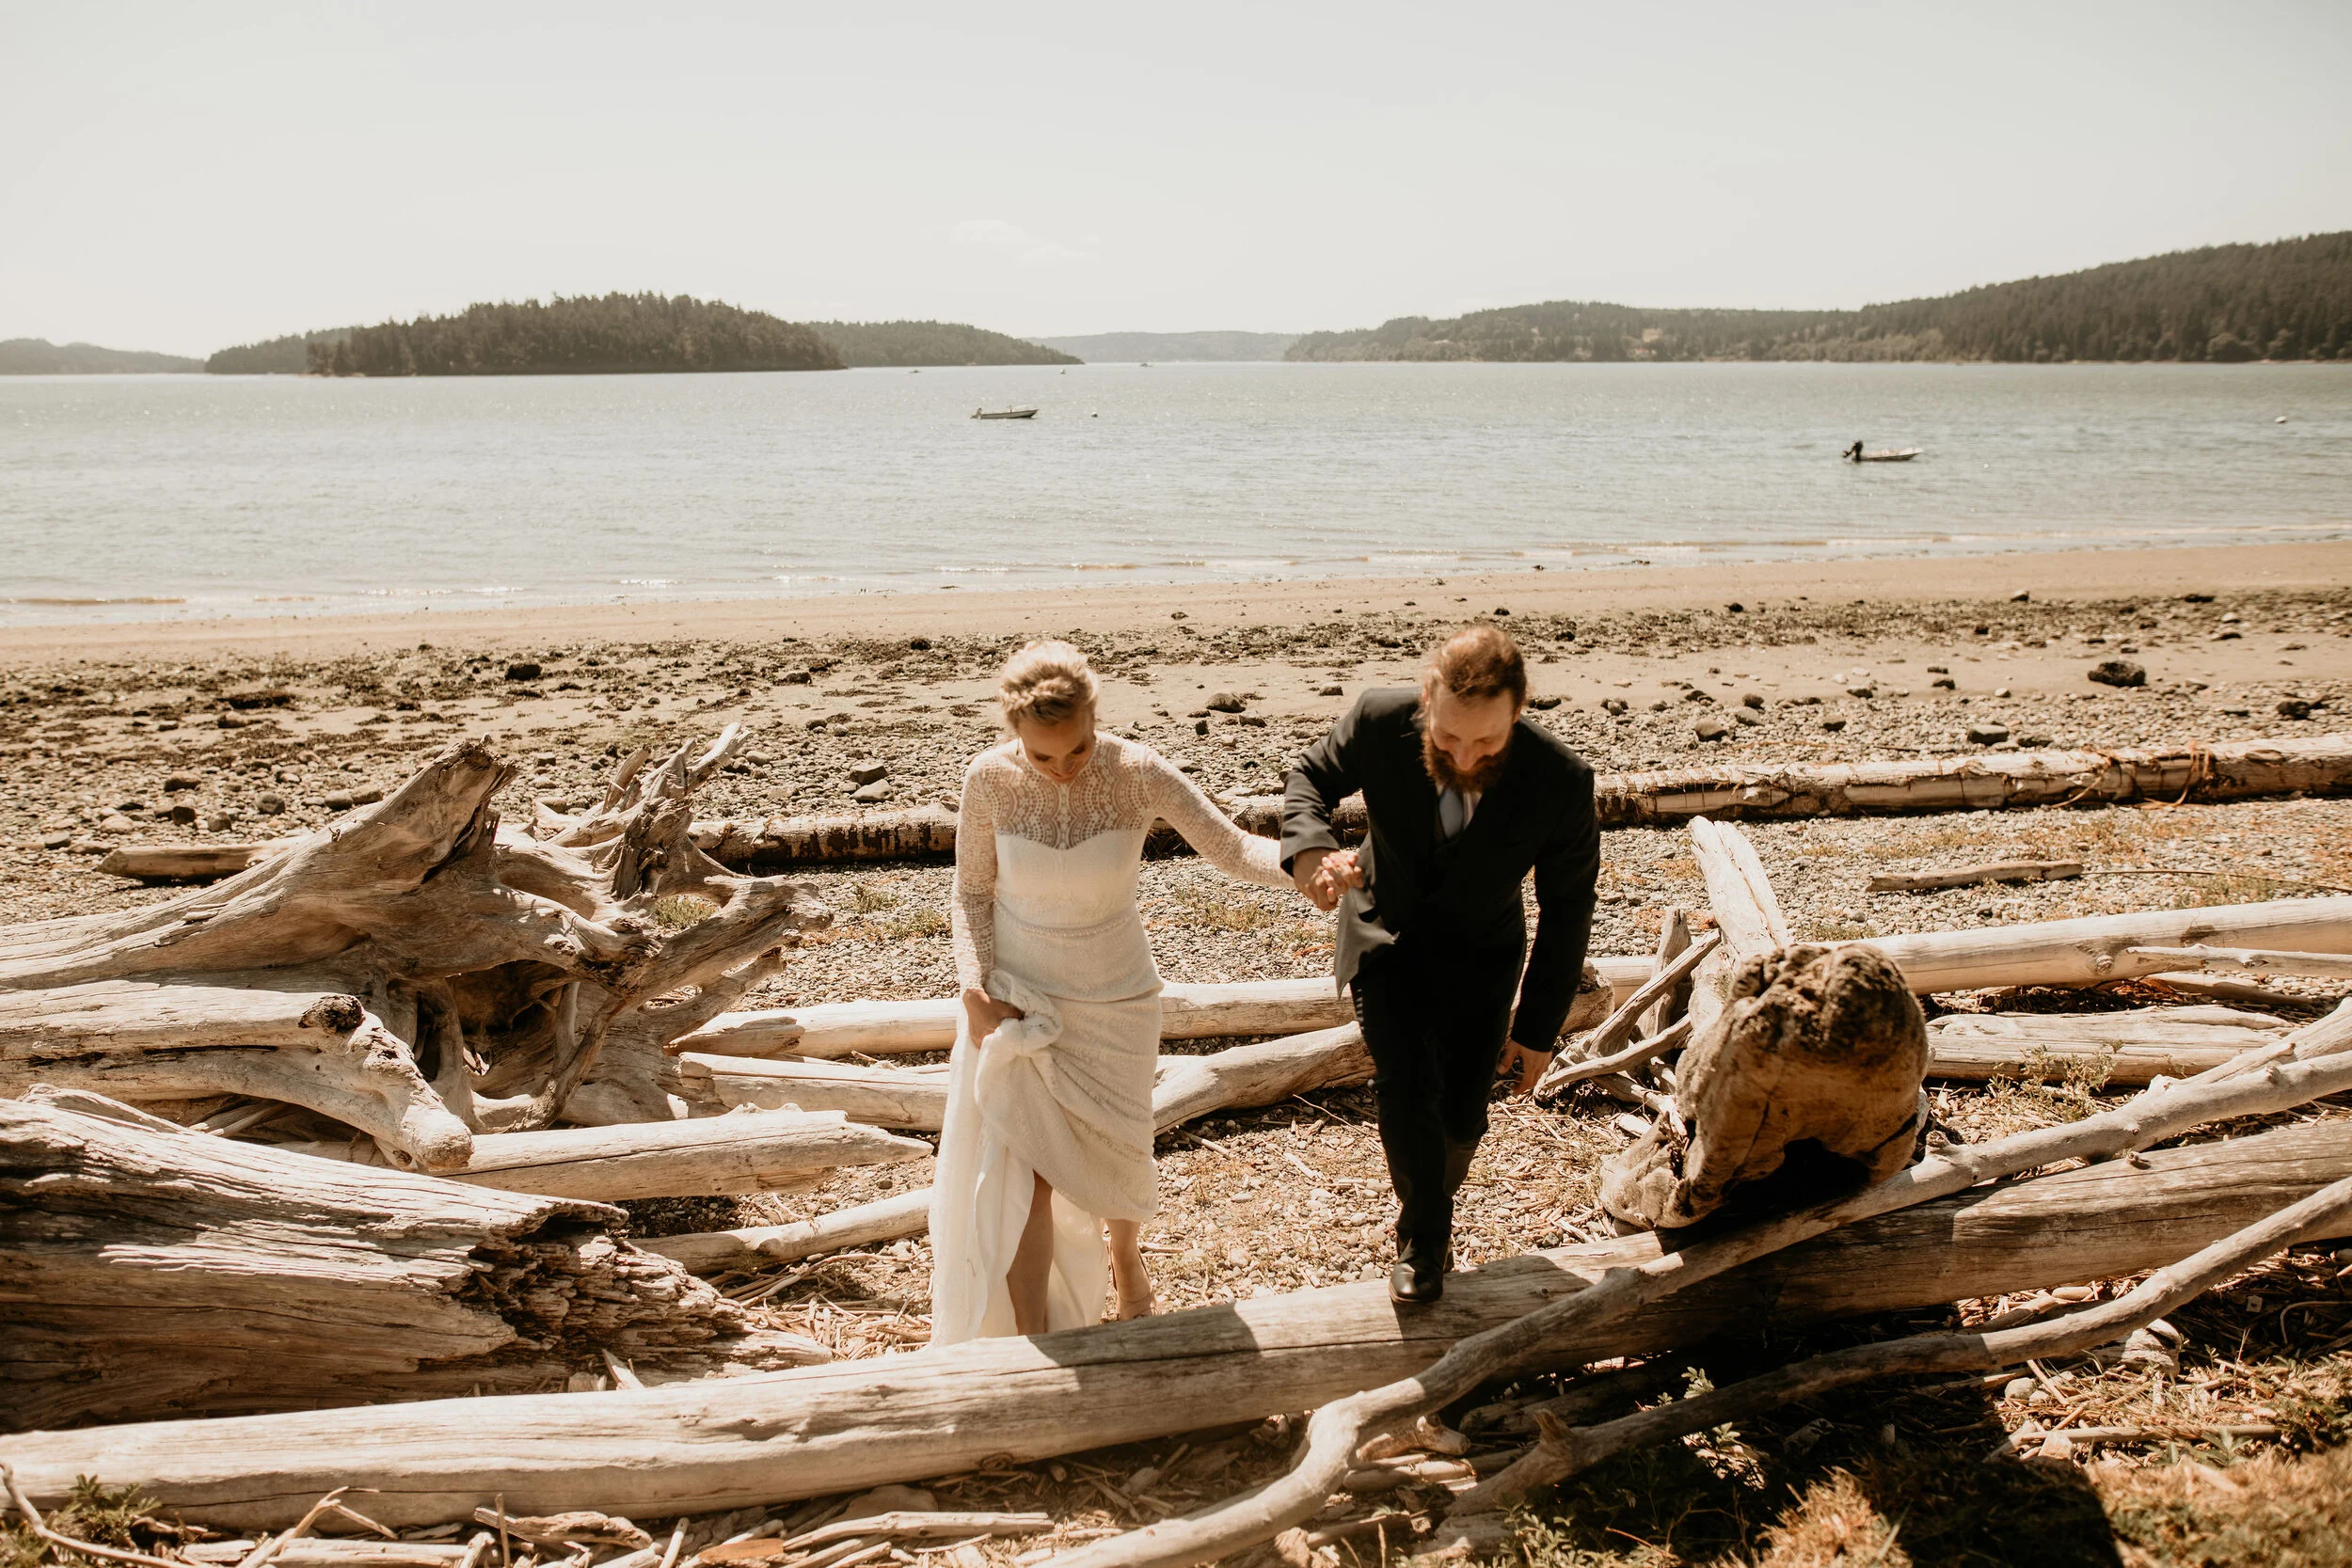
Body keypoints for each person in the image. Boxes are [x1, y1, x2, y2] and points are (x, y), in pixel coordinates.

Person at [930, 640, 1297, 1343]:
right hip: (1025, 997)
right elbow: (971, 892)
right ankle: (1034, 1335)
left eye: (1077, 748)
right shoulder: (988, 779)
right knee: (1026, 1169)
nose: (1063, 768)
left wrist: (1312, 866)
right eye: (1043, 756)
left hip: (1117, 997)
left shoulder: (1137, 771)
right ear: (1013, 730)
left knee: (1121, 1147)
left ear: (1095, 718)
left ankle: (1125, 1256)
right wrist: (973, 987)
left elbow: (1232, 848)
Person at [1282, 625, 1600, 1305]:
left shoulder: (1562, 780)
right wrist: (1310, 851)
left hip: (1483, 954)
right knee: (1404, 1084)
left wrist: (1538, 1029)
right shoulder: (1379, 719)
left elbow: (1568, 908)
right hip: (1382, 931)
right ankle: (1424, 1241)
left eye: (1486, 742)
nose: (1463, 756)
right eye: (1449, 736)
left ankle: (1430, 1195)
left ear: (1517, 712)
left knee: (1462, 1114)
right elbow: (1310, 776)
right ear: (1428, 698)